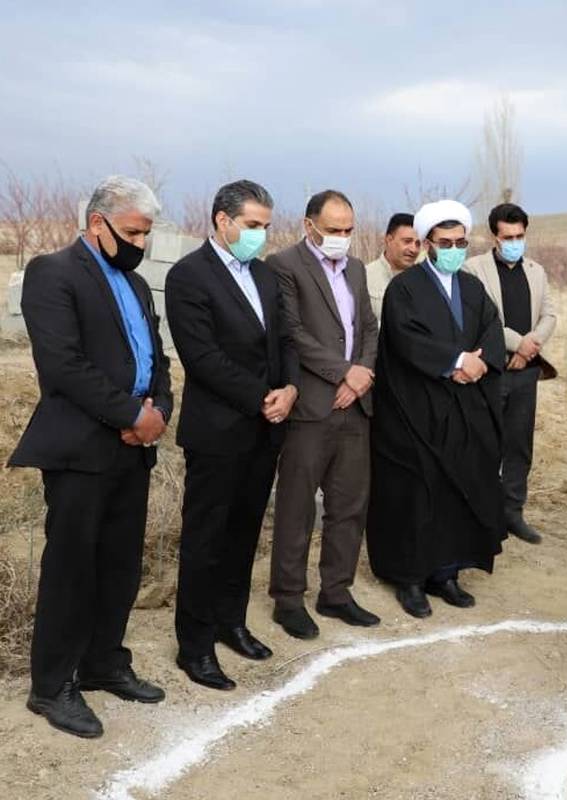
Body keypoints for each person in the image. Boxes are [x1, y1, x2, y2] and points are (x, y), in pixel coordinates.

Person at [11, 176, 172, 738]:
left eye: (146, 234)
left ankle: (103, 662)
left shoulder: (138, 284)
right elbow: (63, 366)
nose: (140, 244)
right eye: (132, 232)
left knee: (119, 564)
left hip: (133, 451)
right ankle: (51, 685)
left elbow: (156, 360)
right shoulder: (53, 273)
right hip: (81, 449)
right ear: (97, 223)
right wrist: (131, 415)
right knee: (72, 568)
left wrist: (159, 411)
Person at [166, 179, 299, 690]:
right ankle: (195, 646)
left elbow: (285, 339)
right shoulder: (188, 276)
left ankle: (230, 622)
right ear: (223, 221)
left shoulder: (263, 275)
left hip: (265, 430)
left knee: (243, 533)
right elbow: (202, 357)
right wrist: (261, 396)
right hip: (219, 432)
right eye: (252, 225)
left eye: (266, 226)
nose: (261, 234)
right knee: (206, 539)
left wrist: (289, 388)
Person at [366, 199, 506, 619]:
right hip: (417, 412)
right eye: (446, 242)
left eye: (461, 242)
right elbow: (407, 339)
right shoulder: (405, 288)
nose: (454, 249)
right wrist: (456, 361)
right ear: (428, 243)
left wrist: (479, 363)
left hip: (464, 409)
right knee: (416, 495)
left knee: (456, 492)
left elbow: (491, 329)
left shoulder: (472, 286)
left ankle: (446, 573)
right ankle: (410, 579)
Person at [266, 190, 380, 640]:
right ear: (309, 225)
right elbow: (292, 332)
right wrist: (343, 372)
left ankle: (336, 591)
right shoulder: (284, 266)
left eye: (348, 230)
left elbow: (367, 327)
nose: (342, 237)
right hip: (312, 405)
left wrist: (362, 375)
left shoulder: (356, 268)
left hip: (356, 404)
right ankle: (288, 599)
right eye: (334, 229)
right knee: (296, 507)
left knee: (349, 505)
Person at [464, 202, 558, 545]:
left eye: (519, 236)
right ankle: (481, 513)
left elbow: (549, 315)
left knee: (519, 444)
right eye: (508, 237)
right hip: (491, 371)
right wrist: (519, 345)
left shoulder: (536, 271)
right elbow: (484, 318)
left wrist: (529, 347)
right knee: (485, 443)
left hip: (526, 373)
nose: (514, 242)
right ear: (494, 236)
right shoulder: (474, 269)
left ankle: (512, 512)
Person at [366, 212, 421, 319]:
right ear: (388, 240)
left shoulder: (424, 281)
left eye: (418, 244)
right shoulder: (365, 277)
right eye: (407, 241)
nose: (413, 249)